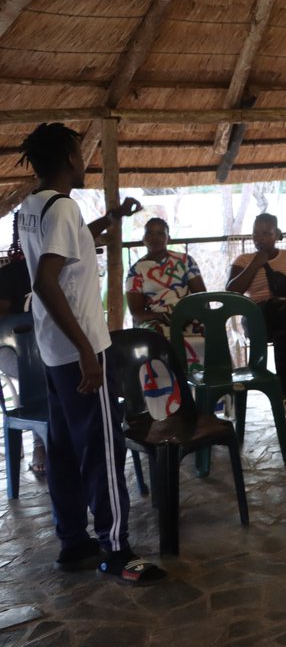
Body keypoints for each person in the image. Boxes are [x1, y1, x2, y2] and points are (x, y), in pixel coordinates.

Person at [16, 123, 166, 584]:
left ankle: (73, 543)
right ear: (68, 158)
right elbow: (45, 282)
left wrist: (113, 217)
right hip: (80, 350)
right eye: (80, 153)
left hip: (52, 350)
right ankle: (116, 550)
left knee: (63, 449)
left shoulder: (33, 206)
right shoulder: (62, 208)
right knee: (103, 448)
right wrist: (86, 350)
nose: (85, 161)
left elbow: (70, 243)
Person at [226, 212, 286, 422]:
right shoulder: (244, 260)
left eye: (266, 233)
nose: (260, 238)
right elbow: (232, 292)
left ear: (276, 233)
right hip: (258, 318)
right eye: (256, 233)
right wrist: (255, 264)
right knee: (284, 325)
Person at [0, 221, 44, 477]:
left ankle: (69, 435)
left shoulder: (56, 270)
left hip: (48, 345)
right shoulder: (10, 274)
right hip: (12, 348)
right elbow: (3, 325)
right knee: (36, 369)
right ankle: (42, 443)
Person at [125, 217, 206, 338]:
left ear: (169, 238)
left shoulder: (185, 261)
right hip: (157, 320)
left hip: (189, 316)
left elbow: (201, 297)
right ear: (144, 239)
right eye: (150, 233)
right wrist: (159, 316)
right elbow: (136, 312)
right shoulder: (136, 270)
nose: (155, 237)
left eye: (160, 233)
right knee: (157, 336)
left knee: (208, 331)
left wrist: (187, 315)